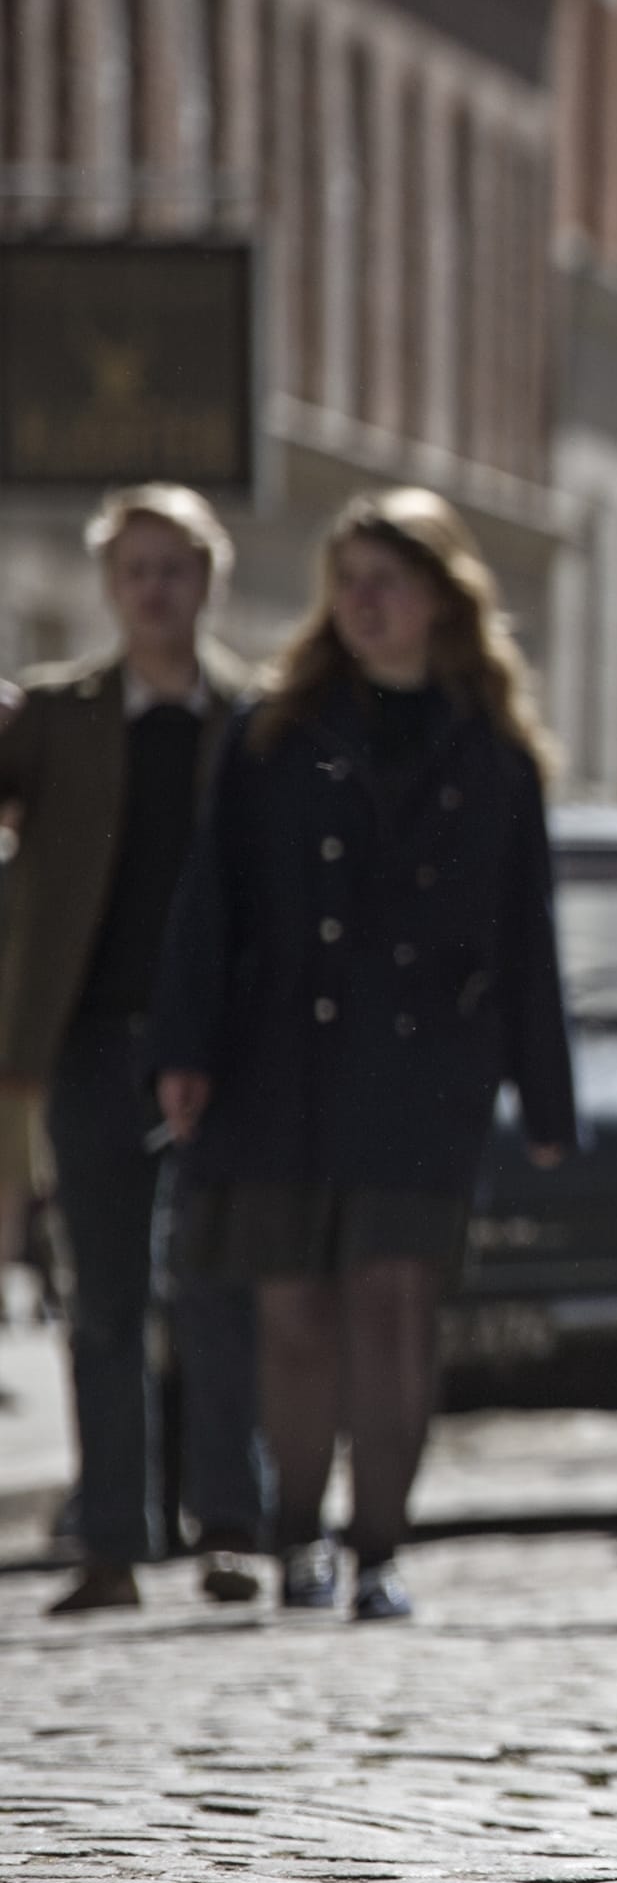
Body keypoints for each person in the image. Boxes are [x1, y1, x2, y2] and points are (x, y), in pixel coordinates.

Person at [148, 489, 577, 1623]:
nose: (364, 604)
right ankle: (300, 1537)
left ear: (441, 597)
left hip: (423, 1070)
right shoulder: (276, 730)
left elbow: (527, 934)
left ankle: (380, 1546)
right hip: (279, 1058)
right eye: (347, 584)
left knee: (394, 1305)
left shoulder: (493, 750)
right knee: (294, 1313)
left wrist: (546, 1098)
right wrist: (184, 1050)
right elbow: (211, 901)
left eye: (387, 582)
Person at [2, 486, 266, 1615]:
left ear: (209, 581)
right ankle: (110, 1540)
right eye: (136, 571)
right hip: (91, 1035)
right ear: (111, 588)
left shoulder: (257, 715)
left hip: (227, 1046)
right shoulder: (57, 716)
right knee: (103, 1297)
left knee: (216, 1288)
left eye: (175, 568)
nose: (156, 590)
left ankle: (232, 1526)